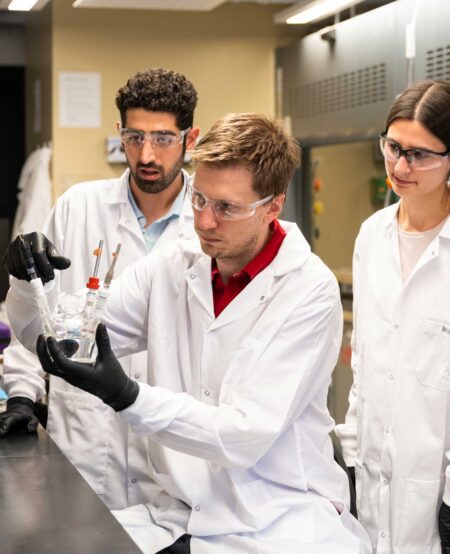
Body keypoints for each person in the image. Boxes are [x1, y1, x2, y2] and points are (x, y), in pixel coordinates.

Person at [5, 112, 371, 554]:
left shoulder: (308, 290)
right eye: (199, 198)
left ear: (273, 205)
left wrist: (127, 394)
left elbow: (243, 434)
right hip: (179, 513)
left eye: (227, 208)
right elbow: (54, 339)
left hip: (279, 520)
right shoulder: (174, 265)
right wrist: (27, 279)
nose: (204, 222)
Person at [0, 67, 200, 511]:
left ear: (191, 137)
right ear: (119, 133)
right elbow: (38, 319)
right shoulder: (78, 207)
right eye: (134, 137)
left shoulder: (209, 225)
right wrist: (20, 393)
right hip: (86, 453)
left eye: (163, 138)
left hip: (175, 468)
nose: (146, 154)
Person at [335, 80, 450, 553]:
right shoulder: (372, 236)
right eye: (393, 147)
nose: (401, 166)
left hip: (438, 493)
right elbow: (364, 363)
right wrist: (353, 454)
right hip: (371, 476)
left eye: (419, 154)